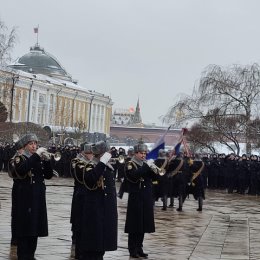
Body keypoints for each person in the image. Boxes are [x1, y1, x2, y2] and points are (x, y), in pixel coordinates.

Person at [12, 133, 53, 260]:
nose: (34, 146)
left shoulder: (37, 159)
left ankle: (31, 255)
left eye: (35, 143)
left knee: (34, 229)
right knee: (25, 231)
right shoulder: (20, 158)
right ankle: (24, 256)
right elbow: (22, 169)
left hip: (38, 198)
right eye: (31, 144)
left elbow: (48, 175)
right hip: (25, 199)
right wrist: (36, 156)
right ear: (24, 146)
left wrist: (47, 161)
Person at [79, 140, 117, 260]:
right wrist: (101, 162)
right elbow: (91, 179)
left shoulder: (107, 166)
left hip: (105, 210)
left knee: (101, 246)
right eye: (106, 152)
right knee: (92, 247)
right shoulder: (91, 165)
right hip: (95, 210)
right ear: (101, 153)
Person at [124, 141, 158, 259]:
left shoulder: (145, 164)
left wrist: (154, 169)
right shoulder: (130, 164)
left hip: (146, 197)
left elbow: (155, 178)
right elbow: (133, 177)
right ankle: (132, 249)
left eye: (145, 153)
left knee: (143, 224)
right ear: (136, 153)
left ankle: (139, 248)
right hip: (136, 198)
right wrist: (146, 166)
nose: (144, 155)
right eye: (141, 153)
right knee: (135, 225)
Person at [70, 142, 93, 259]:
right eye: (89, 152)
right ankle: (78, 251)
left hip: (89, 196)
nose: (91, 155)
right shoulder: (77, 162)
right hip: (80, 195)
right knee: (78, 223)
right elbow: (80, 177)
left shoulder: (93, 162)